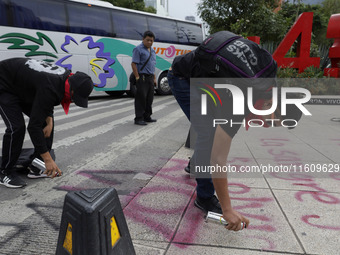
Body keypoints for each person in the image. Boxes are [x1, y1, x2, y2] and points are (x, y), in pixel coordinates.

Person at [168, 31, 303, 231]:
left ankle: (195, 164)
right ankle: (204, 198)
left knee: (210, 130)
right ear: (270, 104)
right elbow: (218, 159)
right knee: (209, 135)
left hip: (201, 75)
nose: (266, 126)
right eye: (273, 122)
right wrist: (227, 209)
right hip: (183, 79)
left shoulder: (268, 77)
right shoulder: (241, 101)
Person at [0, 58, 93, 188]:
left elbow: (45, 101)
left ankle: (36, 166)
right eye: (74, 97)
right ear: (72, 89)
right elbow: (33, 127)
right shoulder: (52, 86)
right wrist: (49, 159)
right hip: (4, 83)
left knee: (47, 122)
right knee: (16, 127)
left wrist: (49, 120)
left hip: (21, 87)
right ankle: (5, 172)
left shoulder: (65, 78)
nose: (72, 101)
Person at [131, 30, 157, 125]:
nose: (149, 42)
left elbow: (152, 65)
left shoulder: (153, 51)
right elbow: (133, 64)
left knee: (149, 98)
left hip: (150, 77)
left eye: (151, 40)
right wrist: (137, 77)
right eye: (148, 40)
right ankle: (138, 118)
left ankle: (147, 116)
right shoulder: (138, 49)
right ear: (143, 39)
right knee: (141, 99)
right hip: (142, 77)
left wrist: (154, 78)